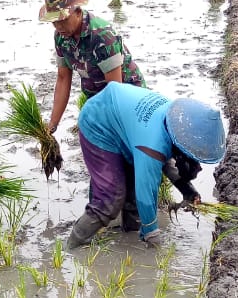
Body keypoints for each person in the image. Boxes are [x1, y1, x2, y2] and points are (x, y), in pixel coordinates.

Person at [67, 82, 225, 248]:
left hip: (125, 124)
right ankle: (73, 246)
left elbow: (167, 161)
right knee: (111, 197)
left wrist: (188, 191)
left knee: (132, 190)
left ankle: (129, 234)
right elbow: (146, 192)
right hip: (98, 122)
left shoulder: (176, 121)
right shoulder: (152, 143)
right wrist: (152, 234)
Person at [38, 0, 146, 135]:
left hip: (129, 98)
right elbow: (63, 79)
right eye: (54, 21)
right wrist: (52, 125)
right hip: (97, 99)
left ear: (77, 11)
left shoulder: (102, 36)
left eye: (63, 20)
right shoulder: (61, 38)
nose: (59, 26)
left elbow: (115, 91)